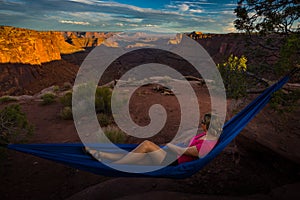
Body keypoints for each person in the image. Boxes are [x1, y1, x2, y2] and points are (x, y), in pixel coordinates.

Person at [85, 113, 221, 166]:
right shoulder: (204, 136)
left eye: (203, 122)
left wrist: (171, 145)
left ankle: (116, 163)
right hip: (171, 155)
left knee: (147, 145)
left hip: (173, 160)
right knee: (136, 157)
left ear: (208, 126)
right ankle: (102, 156)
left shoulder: (208, 143)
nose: (200, 123)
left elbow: (187, 151)